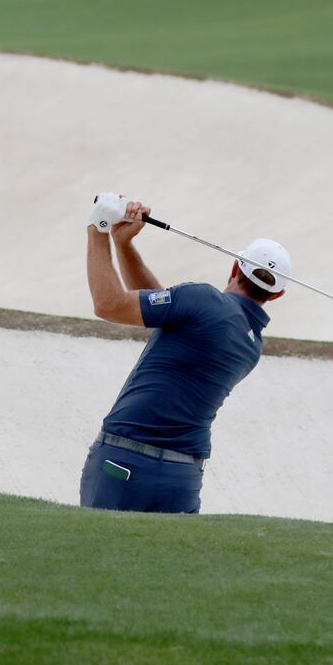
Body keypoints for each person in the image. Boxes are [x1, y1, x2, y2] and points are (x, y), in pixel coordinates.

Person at [79, 194, 289, 514]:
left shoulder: (203, 300)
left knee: (96, 561)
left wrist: (99, 228)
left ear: (235, 266)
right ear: (277, 295)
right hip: (182, 477)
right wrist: (123, 245)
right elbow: (165, 310)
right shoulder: (251, 344)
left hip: (124, 462)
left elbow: (108, 304)